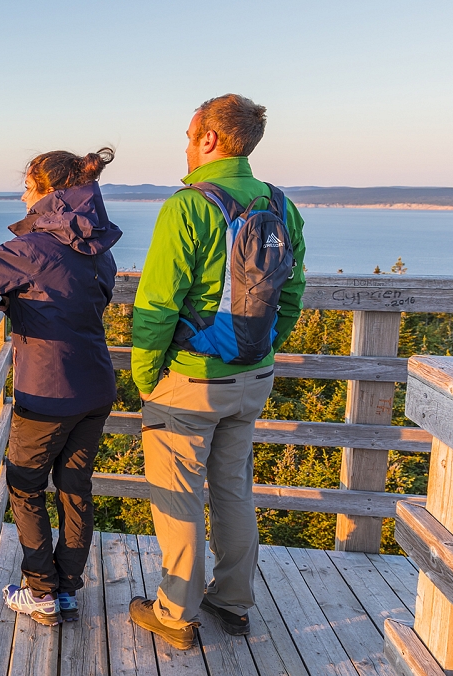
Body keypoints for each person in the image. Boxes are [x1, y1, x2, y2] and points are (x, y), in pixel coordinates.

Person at [127, 94, 306, 649]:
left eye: (188, 135)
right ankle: (232, 601)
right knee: (232, 489)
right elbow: (292, 295)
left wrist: (145, 375)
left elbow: (156, 303)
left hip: (190, 380)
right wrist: (263, 349)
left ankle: (176, 615)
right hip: (253, 377)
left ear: (209, 139)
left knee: (179, 496)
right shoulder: (281, 205)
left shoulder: (189, 206)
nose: (184, 146)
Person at [0, 148, 122, 626]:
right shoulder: (97, 246)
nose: (22, 195)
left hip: (47, 394)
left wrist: (11, 292)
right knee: (74, 488)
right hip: (96, 386)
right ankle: (66, 589)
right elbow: (82, 296)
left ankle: (40, 590)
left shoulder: (35, 249)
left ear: (49, 192)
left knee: (25, 485)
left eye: (27, 186)